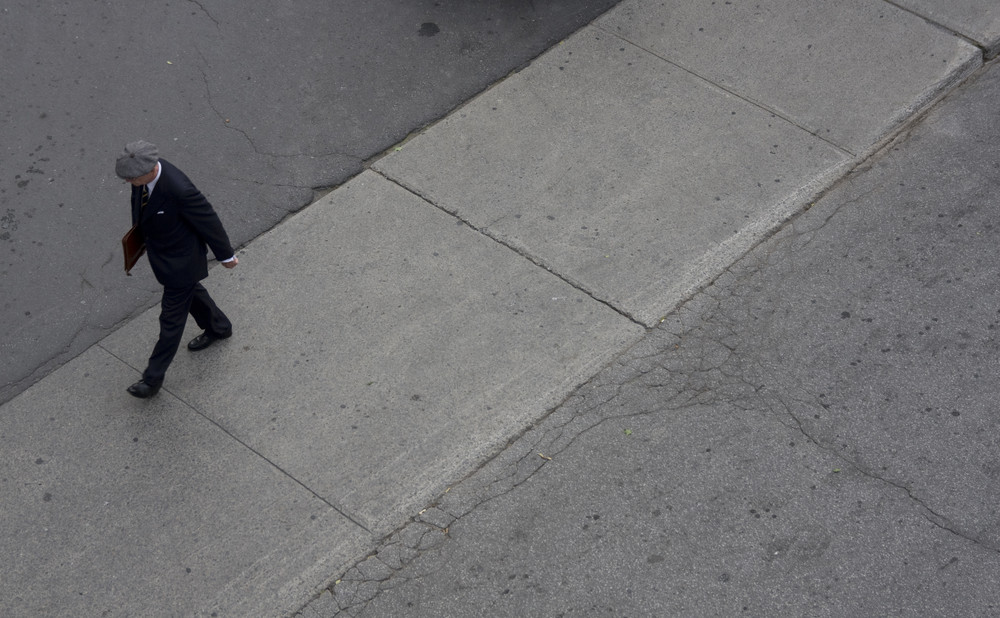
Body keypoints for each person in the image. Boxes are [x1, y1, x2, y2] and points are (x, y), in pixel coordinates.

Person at [115, 140, 239, 398]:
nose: (129, 183)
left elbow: (208, 220)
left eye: (132, 179)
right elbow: (141, 210)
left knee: (170, 320)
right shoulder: (144, 178)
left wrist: (226, 255)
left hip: (182, 263)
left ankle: (152, 379)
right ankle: (219, 327)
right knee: (193, 293)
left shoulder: (179, 189)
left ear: (149, 171)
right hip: (166, 255)